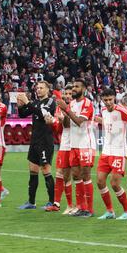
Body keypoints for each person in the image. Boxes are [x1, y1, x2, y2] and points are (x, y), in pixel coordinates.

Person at [56, 79, 96, 217]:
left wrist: (66, 109)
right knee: (76, 175)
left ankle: (89, 209)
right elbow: (67, 125)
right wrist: (64, 112)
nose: (73, 89)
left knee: (86, 175)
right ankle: (81, 207)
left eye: (76, 86)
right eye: (73, 86)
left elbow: (79, 122)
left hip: (85, 144)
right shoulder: (72, 103)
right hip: (73, 144)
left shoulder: (88, 104)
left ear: (84, 89)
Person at [96, 88, 127, 220]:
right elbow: (108, 123)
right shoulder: (103, 111)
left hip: (119, 152)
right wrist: (97, 120)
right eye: (105, 100)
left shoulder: (122, 111)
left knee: (114, 183)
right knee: (100, 181)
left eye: (110, 100)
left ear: (115, 99)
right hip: (106, 151)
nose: (108, 102)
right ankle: (110, 211)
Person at [17, 81, 56, 209]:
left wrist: (27, 102)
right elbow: (23, 114)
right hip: (34, 140)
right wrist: (20, 105)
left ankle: (52, 202)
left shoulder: (50, 102)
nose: (38, 90)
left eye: (41, 88)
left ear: (47, 90)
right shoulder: (35, 102)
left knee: (45, 170)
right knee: (33, 170)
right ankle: (31, 202)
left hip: (45, 141)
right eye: (37, 88)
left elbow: (42, 114)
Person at [45, 84, 75, 214]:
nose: (67, 96)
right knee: (60, 174)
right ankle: (57, 203)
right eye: (65, 95)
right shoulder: (59, 108)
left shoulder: (75, 107)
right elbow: (59, 129)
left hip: (75, 144)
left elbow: (73, 124)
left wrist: (63, 118)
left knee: (74, 176)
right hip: (64, 145)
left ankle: (73, 205)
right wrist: (52, 123)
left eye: (70, 94)